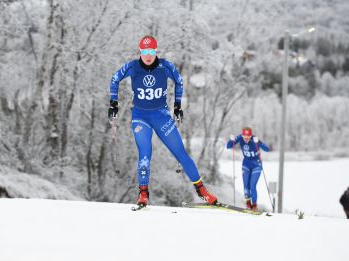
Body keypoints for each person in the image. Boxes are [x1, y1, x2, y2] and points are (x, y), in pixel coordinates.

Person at [108, 35, 217, 207]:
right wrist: (113, 105)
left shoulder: (165, 66)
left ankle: (202, 191)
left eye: (151, 51)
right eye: (145, 52)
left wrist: (177, 107)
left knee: (180, 153)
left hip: (161, 116)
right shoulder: (133, 67)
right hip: (140, 117)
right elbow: (114, 80)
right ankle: (143, 194)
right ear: (140, 52)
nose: (148, 55)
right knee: (145, 155)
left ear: (156, 51)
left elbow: (179, 82)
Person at [226, 127, 269, 212]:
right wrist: (231, 140)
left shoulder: (254, 139)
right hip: (246, 164)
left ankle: (254, 206)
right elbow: (228, 146)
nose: (246, 140)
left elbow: (267, 149)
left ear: (250, 136)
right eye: (244, 138)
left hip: (256, 165)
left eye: (248, 138)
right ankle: (248, 205)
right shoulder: (240, 138)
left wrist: (259, 142)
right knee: (246, 186)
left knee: (252, 185)